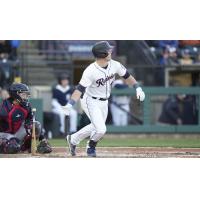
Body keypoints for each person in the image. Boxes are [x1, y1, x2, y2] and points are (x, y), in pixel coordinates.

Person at [62, 41, 145, 157]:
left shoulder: (115, 64)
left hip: (104, 101)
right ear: (102, 54)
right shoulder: (90, 71)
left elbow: (127, 76)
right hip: (90, 100)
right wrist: (70, 104)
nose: (111, 51)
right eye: (108, 50)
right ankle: (91, 146)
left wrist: (137, 88)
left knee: (95, 126)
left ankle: (73, 139)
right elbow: (79, 89)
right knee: (101, 129)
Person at [0, 83, 52, 154]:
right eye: (23, 94)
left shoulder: (26, 106)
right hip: (5, 134)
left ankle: (34, 146)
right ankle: (9, 147)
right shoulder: (4, 108)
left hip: (18, 134)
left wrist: (42, 138)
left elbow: (32, 121)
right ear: (15, 94)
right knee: (13, 147)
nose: (25, 97)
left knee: (35, 124)